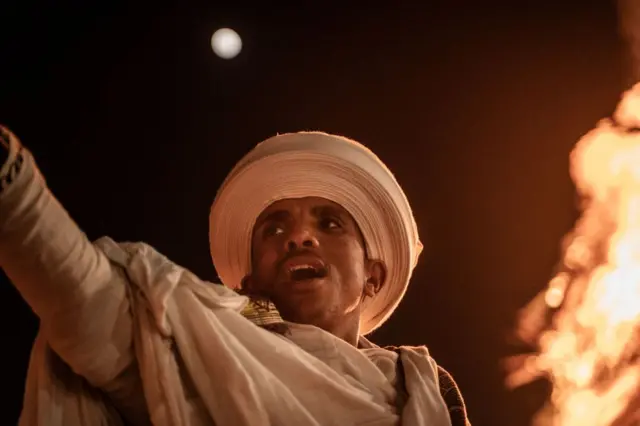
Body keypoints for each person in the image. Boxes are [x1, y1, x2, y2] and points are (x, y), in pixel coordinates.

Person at [0, 125, 470, 426]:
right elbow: (87, 301)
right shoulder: (193, 352)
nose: (299, 238)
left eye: (329, 224)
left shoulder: (425, 392)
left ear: (373, 276)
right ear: (247, 286)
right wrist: (12, 185)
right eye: (275, 228)